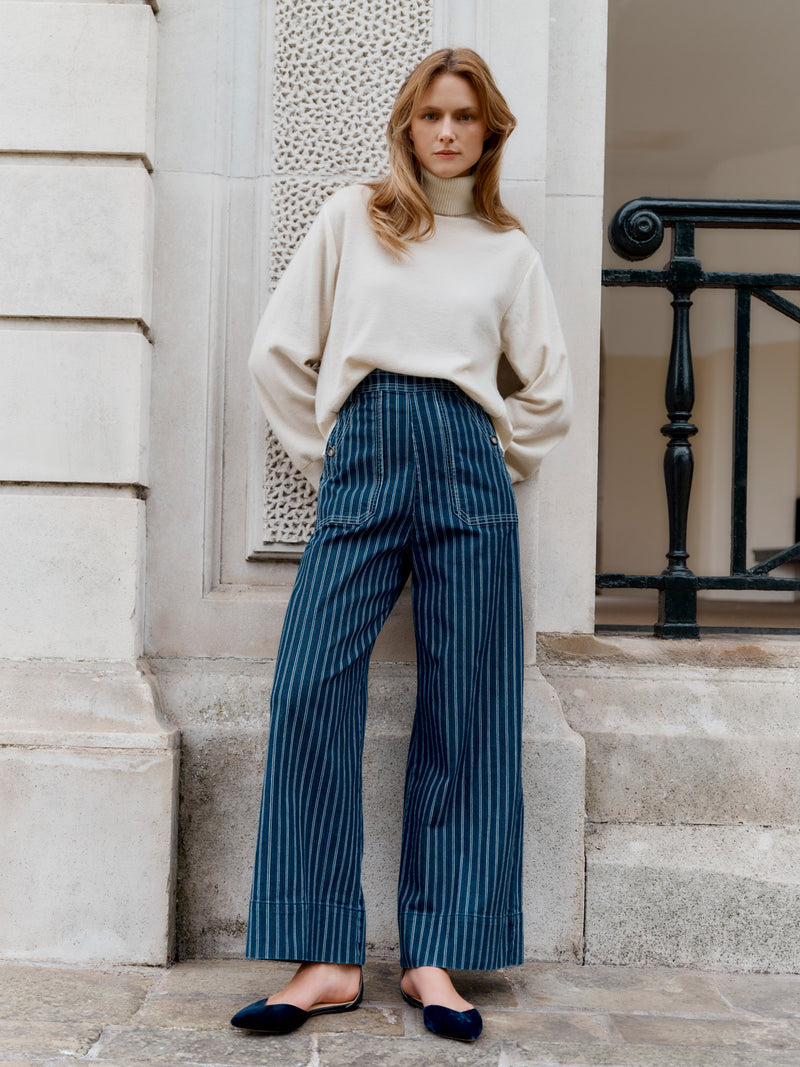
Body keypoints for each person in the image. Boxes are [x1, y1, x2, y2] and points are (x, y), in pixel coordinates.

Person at [231, 47, 572, 1043]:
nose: (447, 132)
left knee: (467, 699)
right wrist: (327, 453)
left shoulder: (508, 251)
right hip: (364, 454)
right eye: (430, 114)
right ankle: (326, 955)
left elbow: (546, 389)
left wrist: (491, 457)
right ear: (407, 125)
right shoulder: (353, 217)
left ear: (489, 131)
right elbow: (275, 349)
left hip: (467, 462)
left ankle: (435, 951)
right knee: (306, 682)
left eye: (465, 116)